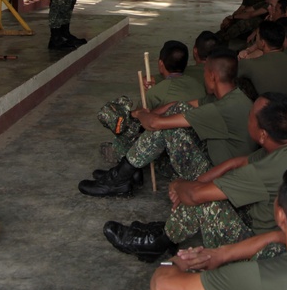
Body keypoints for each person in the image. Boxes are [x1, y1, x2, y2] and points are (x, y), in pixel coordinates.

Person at [104, 93, 287, 262]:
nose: (248, 119)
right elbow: (237, 162)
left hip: (263, 248)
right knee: (198, 190)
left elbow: (197, 196)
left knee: (204, 201)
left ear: (262, 134)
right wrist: (196, 183)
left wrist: (179, 185)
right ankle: (165, 233)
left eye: (251, 118)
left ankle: (157, 242)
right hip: (266, 220)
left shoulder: (268, 170)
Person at [150, 163, 287, 290]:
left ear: (281, 215)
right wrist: (222, 253)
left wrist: (177, 262)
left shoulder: (259, 278)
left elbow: (162, 285)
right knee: (270, 251)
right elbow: (278, 237)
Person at [79, 50, 257, 197]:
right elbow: (179, 105)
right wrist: (151, 113)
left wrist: (141, 113)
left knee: (167, 129)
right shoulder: (233, 96)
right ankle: (125, 173)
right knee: (176, 110)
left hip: (219, 175)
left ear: (212, 75)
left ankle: (119, 178)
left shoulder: (222, 108)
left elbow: (156, 124)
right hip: (218, 159)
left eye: (204, 73)